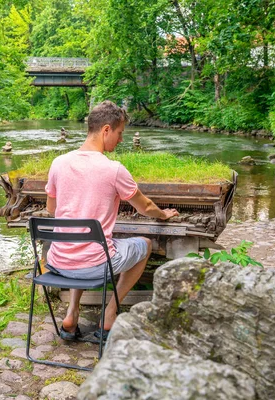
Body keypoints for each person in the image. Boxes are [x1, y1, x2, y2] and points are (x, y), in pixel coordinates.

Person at [44, 100, 179, 340]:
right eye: (119, 133)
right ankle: (109, 314)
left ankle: (72, 313)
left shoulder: (58, 163)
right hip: (94, 265)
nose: (121, 139)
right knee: (144, 245)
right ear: (106, 130)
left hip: (58, 261)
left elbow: (51, 208)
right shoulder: (114, 169)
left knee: (82, 243)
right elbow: (145, 207)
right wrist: (163, 214)